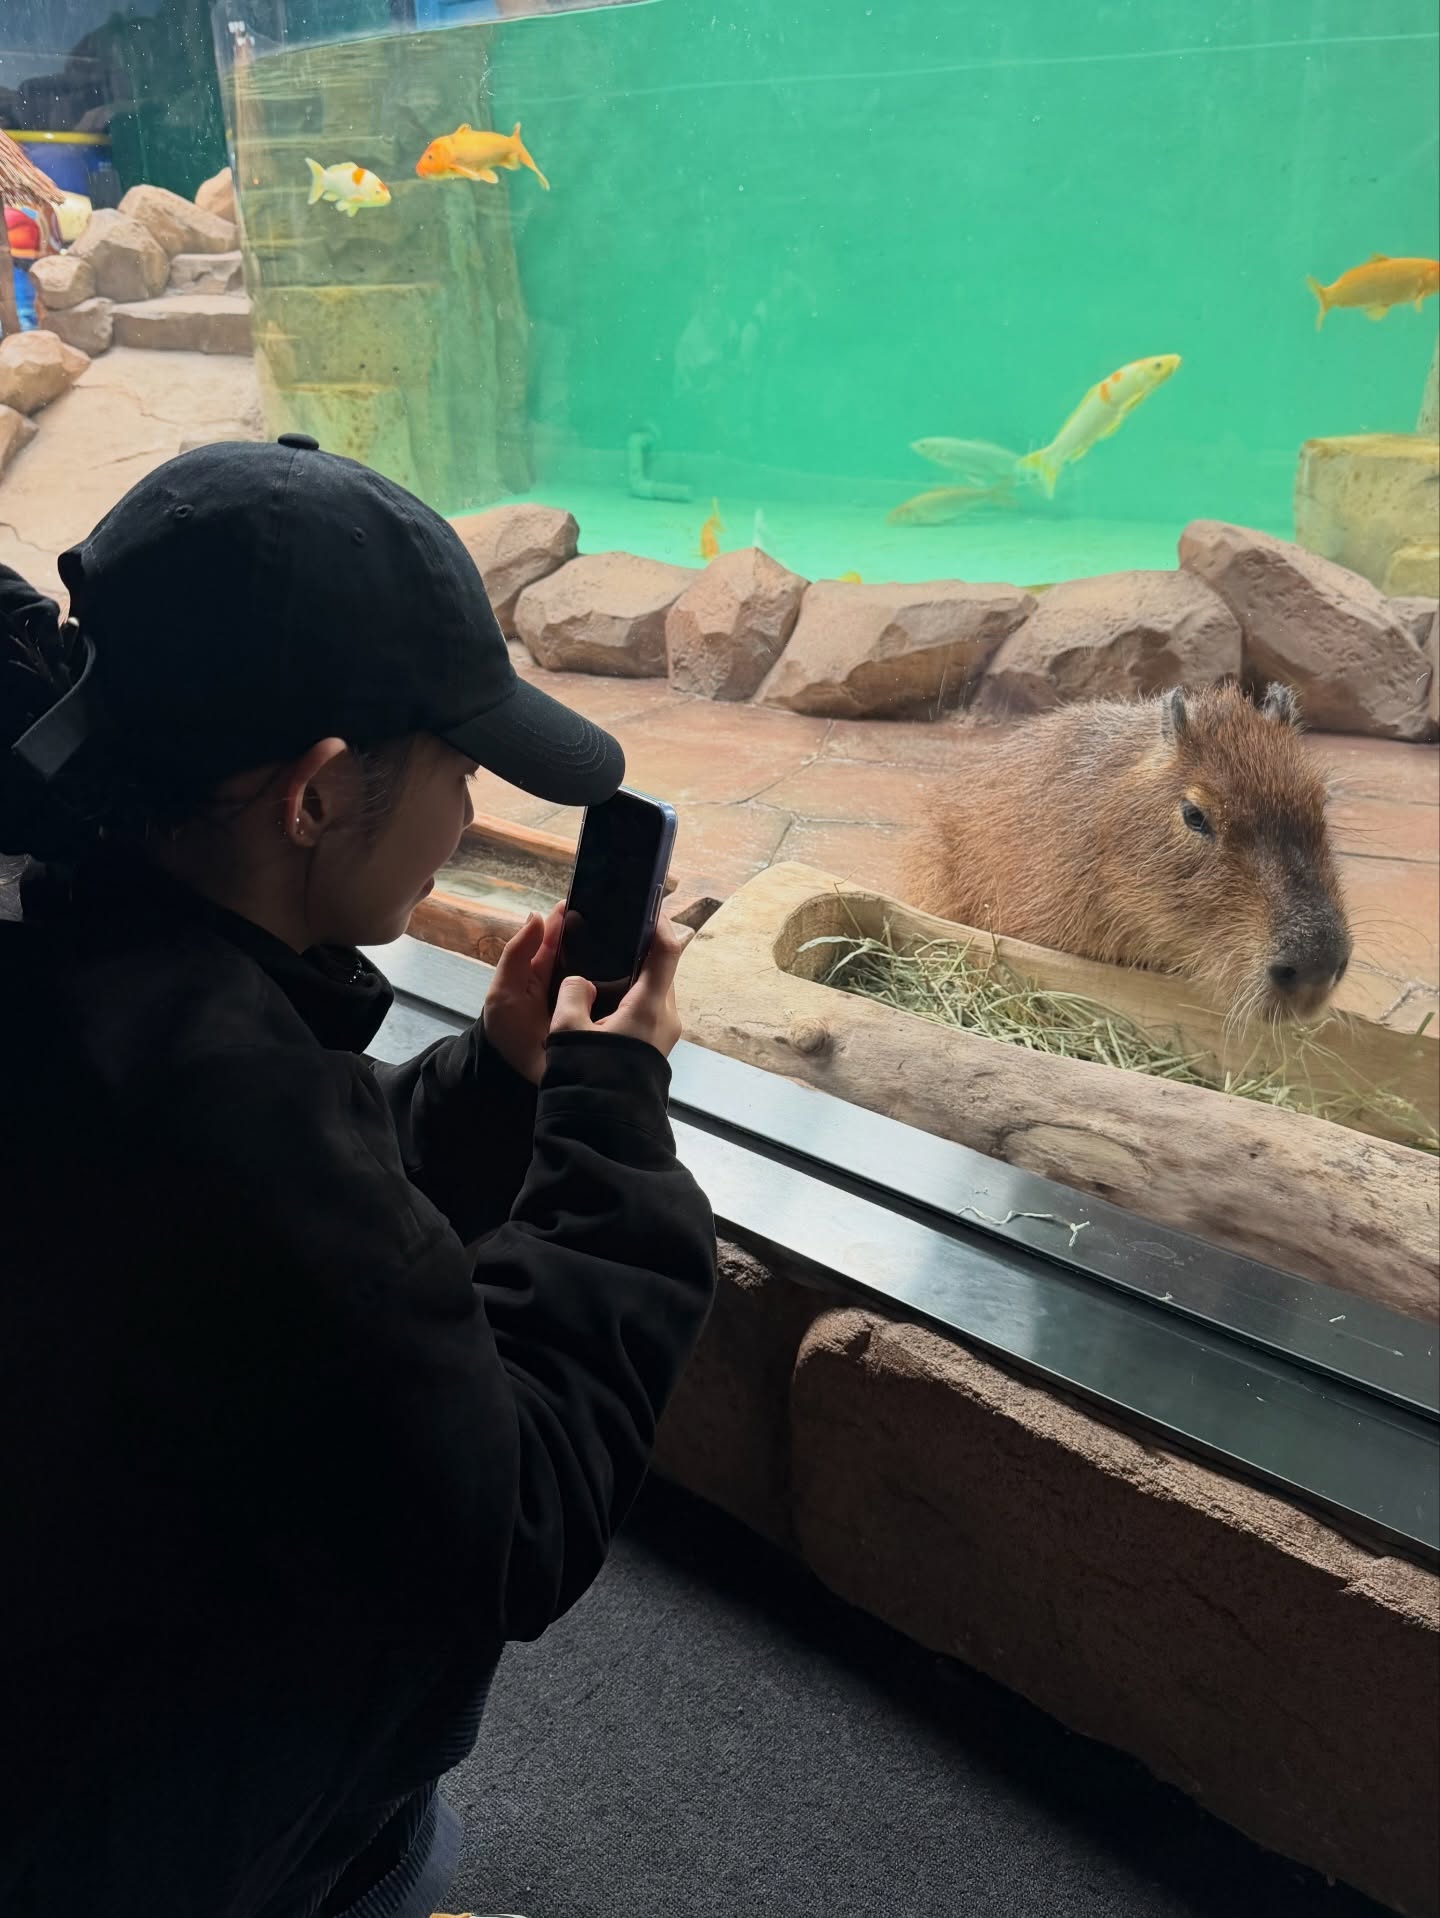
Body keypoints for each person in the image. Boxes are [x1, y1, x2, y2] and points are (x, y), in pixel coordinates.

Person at [0, 436, 718, 1917]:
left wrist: (495, 1088)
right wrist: (611, 1125)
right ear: (317, 796)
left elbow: (278, 1259)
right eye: (461, 769)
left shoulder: (84, 952)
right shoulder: (239, 1120)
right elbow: (514, 1518)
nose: (467, 814)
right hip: (144, 1830)